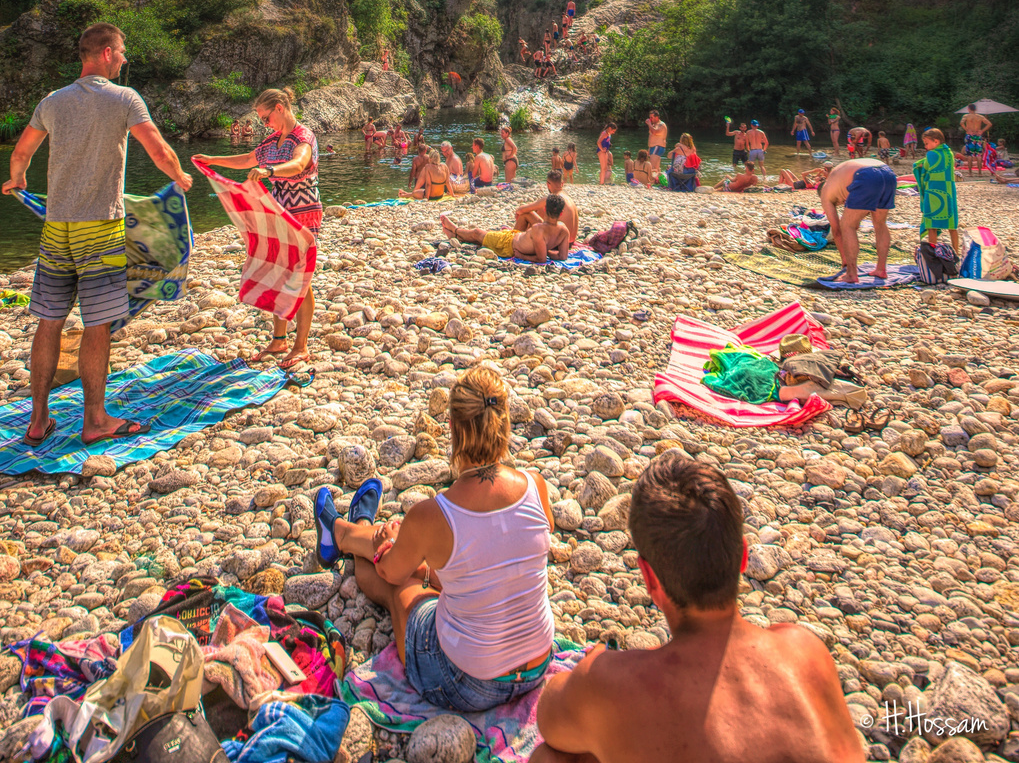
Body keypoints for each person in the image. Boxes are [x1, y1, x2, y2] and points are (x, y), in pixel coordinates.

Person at [530, 457, 865, 763]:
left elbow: (550, 718)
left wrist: (598, 666)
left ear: (650, 578)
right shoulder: (805, 651)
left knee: (555, 757)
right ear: (743, 557)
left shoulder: (611, 684)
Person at [312, 365, 556, 713]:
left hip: (468, 683)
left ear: (453, 428)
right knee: (443, 568)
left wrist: (393, 544)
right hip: (536, 665)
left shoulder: (435, 515)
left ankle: (344, 533)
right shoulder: (536, 485)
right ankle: (349, 530)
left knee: (399, 585)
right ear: (505, 423)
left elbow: (391, 573)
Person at [2, 23, 193, 447]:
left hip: (57, 228)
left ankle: (37, 421)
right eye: (122, 51)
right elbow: (157, 149)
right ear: (105, 53)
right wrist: (179, 176)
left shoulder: (52, 101)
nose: (125, 59)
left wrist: (16, 181)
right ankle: (95, 420)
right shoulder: (124, 98)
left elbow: (21, 154)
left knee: (49, 322)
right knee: (97, 324)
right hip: (100, 229)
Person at [193, 87, 321, 370]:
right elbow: (249, 160)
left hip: (302, 213)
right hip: (276, 211)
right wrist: (213, 161)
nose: (265, 124)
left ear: (279, 108)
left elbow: (299, 162)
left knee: (299, 276)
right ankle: (279, 340)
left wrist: (270, 172)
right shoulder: (273, 141)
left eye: (266, 118)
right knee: (278, 272)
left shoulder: (304, 136)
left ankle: (301, 346)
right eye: (262, 120)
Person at [817, 158, 896, 283]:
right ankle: (881, 269)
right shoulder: (839, 182)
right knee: (880, 223)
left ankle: (851, 274)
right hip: (888, 173)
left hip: (865, 175)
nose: (841, 204)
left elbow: (837, 231)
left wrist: (845, 261)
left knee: (847, 226)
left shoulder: (825, 193)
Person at [441, 195, 570, 263]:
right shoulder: (564, 230)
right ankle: (456, 237)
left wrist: (522, 256)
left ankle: (455, 230)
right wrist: (546, 250)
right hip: (514, 237)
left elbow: (541, 259)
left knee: (477, 233)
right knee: (483, 240)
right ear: (561, 213)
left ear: (545, 209)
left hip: (509, 244)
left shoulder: (538, 229)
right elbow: (563, 256)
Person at [913, 128, 959, 254]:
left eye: (927, 143)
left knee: (931, 225)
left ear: (936, 141)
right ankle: (956, 253)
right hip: (948, 191)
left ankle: (933, 252)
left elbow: (926, 167)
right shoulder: (949, 153)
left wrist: (918, 166)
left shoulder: (931, 155)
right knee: (952, 225)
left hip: (934, 191)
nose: (926, 147)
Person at [515, 170, 578, 244]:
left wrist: (521, 213)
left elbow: (520, 210)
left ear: (548, 184)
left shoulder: (553, 198)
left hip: (558, 243)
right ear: (562, 183)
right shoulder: (569, 199)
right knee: (539, 211)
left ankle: (514, 241)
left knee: (526, 214)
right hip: (569, 242)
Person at [960, 103, 993, 176]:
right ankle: (980, 173)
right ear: (975, 109)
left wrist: (967, 130)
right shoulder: (980, 117)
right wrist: (982, 131)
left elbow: (961, 123)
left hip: (970, 135)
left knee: (969, 155)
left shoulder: (966, 116)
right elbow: (989, 124)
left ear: (968, 109)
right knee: (978, 155)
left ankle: (970, 173)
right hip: (978, 136)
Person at [645, 110, 668, 180]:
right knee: (656, 167)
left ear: (657, 117)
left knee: (652, 167)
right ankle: (657, 181)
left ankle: (652, 181)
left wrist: (649, 124)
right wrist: (649, 148)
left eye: (652, 117)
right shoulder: (654, 125)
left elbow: (655, 132)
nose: (650, 119)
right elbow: (651, 133)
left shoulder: (661, 125)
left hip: (657, 147)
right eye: (650, 117)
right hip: (653, 147)